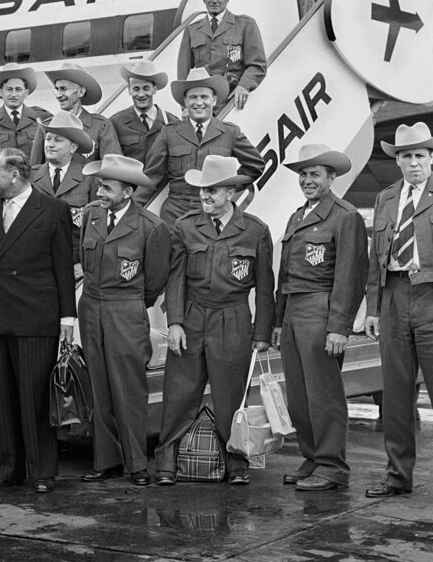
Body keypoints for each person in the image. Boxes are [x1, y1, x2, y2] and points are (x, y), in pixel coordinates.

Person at [154, 156, 274, 486]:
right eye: (203, 189)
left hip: (233, 318)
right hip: (192, 316)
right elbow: (175, 277)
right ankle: (167, 459)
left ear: (232, 192)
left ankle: (236, 461)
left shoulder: (255, 231)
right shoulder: (186, 226)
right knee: (179, 391)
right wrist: (175, 321)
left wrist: (262, 332)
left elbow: (265, 286)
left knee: (230, 395)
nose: (204, 195)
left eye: (213, 190)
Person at [0, 147, 76, 492]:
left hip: (36, 314)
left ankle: (41, 471)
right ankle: (6, 468)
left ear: (15, 175)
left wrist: (67, 318)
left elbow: (64, 266)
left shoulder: (52, 210)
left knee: (34, 396)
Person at [272, 144, 367, 491]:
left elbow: (349, 276)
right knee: (298, 395)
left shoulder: (345, 216)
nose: (307, 180)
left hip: (321, 309)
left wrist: (338, 327)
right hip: (295, 309)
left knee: (324, 394)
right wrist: (279, 322)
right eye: (303, 174)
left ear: (331, 177)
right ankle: (312, 458)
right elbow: (285, 274)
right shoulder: (297, 216)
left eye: (315, 174)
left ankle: (332, 466)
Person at [78, 155, 171, 486]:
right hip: (91, 310)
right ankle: (106, 460)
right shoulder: (91, 216)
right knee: (99, 388)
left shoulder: (151, 227)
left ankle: (136, 465)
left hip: (126, 312)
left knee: (129, 390)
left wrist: (129, 305)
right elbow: (85, 263)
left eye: (107, 187)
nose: (100, 192)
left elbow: (156, 281)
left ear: (128, 192)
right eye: (99, 185)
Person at [364, 122, 433, 498]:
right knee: (395, 393)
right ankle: (397, 475)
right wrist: (373, 308)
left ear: (431, 158)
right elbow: (377, 260)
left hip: (431, 295)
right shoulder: (386, 198)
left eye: (420, 155)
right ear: (398, 162)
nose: (413, 162)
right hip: (393, 296)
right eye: (406, 156)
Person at [137, 67, 264, 227]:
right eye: (193, 97)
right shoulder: (169, 133)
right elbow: (150, 177)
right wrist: (129, 211)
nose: (198, 103)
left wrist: (224, 191)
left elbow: (255, 165)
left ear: (214, 100)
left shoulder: (230, 132)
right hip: (175, 215)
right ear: (185, 101)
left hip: (214, 213)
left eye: (204, 97)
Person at [177, 0, 267, 110]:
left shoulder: (245, 25)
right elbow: (183, 74)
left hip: (232, 102)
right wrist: (185, 107)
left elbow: (257, 65)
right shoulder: (192, 30)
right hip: (202, 104)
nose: (214, 0)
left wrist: (244, 86)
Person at [30, 111, 95, 280]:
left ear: (73, 147)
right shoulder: (31, 177)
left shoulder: (89, 179)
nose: (50, 144)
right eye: (48, 139)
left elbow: (96, 228)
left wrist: (85, 263)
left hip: (72, 268)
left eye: (58, 140)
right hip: (35, 265)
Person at [29, 62, 121, 165]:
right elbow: (35, 170)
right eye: (56, 89)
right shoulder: (46, 126)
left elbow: (113, 169)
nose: (59, 95)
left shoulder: (101, 126)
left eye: (63, 89)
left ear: (81, 92)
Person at [0, 62, 51, 160]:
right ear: (1, 92)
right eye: (9, 89)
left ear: (26, 93)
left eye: (18, 89)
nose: (13, 94)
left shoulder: (43, 117)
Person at [109, 60, 178, 165]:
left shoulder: (172, 122)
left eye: (146, 88)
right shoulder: (115, 123)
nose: (141, 94)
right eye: (136, 89)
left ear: (154, 89)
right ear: (129, 90)